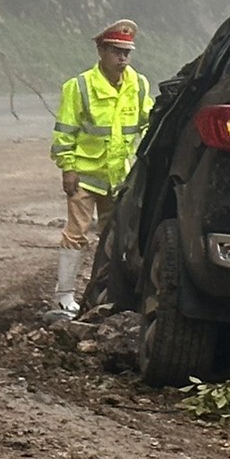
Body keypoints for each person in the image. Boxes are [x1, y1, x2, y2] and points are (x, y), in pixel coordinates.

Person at [50, 19, 152, 315]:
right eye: (117, 52)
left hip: (117, 178)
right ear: (101, 51)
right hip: (84, 175)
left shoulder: (139, 85)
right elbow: (64, 132)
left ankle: (103, 294)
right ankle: (64, 296)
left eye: (126, 53)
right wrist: (68, 168)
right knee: (76, 232)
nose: (122, 58)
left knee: (113, 237)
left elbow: (148, 125)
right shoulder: (79, 86)